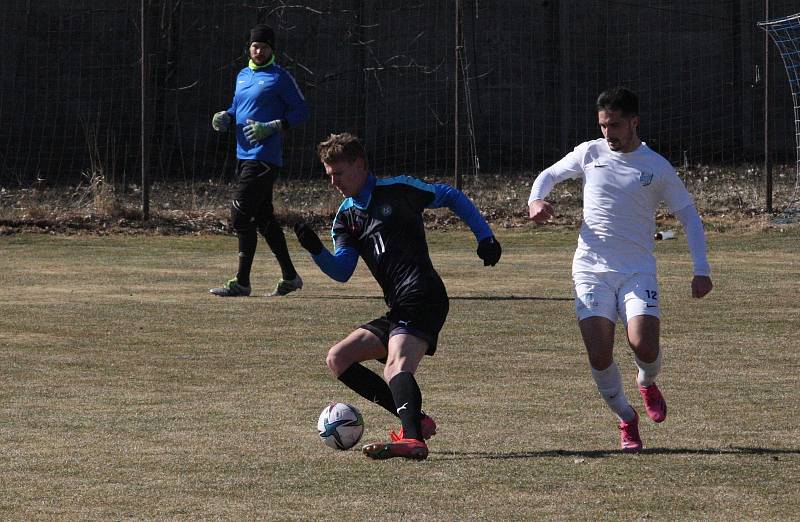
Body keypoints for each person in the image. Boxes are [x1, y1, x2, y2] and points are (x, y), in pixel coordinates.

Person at [294, 133, 502, 460]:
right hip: (399, 305)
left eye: (339, 173)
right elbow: (342, 271)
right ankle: (415, 420)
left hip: (423, 293)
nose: (334, 182)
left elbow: (449, 195)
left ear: (359, 164)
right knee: (339, 359)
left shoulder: (398, 189)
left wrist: (485, 236)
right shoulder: (346, 218)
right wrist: (316, 249)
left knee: (395, 367)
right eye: (329, 175)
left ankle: (413, 438)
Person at [527, 87, 713, 452]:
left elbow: (688, 217)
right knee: (599, 353)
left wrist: (701, 269)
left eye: (613, 126)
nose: (607, 134)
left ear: (634, 122)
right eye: (602, 126)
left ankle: (647, 381)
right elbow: (547, 176)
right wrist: (536, 199)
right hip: (591, 269)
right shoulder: (589, 153)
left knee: (643, 345)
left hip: (637, 270)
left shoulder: (656, 166)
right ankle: (627, 418)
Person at [209, 24, 309, 297]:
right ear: (249, 48)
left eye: (264, 47)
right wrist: (226, 117)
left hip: (264, 158)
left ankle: (242, 282)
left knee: (240, 216)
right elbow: (236, 108)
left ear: (271, 50)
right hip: (243, 156)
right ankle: (290, 277)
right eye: (255, 46)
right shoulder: (242, 75)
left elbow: (302, 111)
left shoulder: (281, 77)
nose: (259, 50)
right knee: (264, 219)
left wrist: (275, 125)